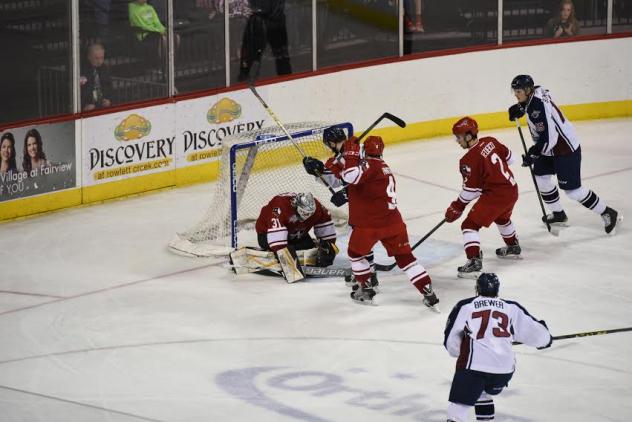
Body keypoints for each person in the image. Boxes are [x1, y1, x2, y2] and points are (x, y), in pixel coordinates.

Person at [508, 74, 621, 235]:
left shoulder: (537, 107)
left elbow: (550, 137)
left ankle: (607, 212)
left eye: (518, 91)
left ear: (527, 90)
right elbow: (542, 93)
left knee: (573, 191)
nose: (515, 94)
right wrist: (522, 107)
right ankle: (559, 214)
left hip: (564, 148)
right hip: (549, 147)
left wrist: (533, 153)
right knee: (540, 177)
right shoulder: (536, 93)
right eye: (515, 91)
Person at [338, 135, 439, 309]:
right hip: (393, 223)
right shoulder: (385, 167)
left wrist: (350, 155)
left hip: (371, 224)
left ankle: (366, 290)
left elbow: (349, 176)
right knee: (407, 259)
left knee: (355, 254)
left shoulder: (368, 165)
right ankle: (428, 292)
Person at [444, 273, 552, 422]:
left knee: (459, 407)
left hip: (474, 367)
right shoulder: (511, 307)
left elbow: (451, 340)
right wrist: (546, 341)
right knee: (481, 392)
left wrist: (458, 351)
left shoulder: (465, 306)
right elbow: (539, 335)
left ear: (477, 289)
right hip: (503, 371)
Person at [303, 126, 379, 290]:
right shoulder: (338, 159)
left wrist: (346, 193)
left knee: (359, 239)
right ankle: (369, 273)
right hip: (361, 205)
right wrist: (318, 171)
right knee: (358, 238)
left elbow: (369, 175)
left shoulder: (359, 150)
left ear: (330, 143)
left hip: (372, 200)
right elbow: (335, 180)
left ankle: (367, 275)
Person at [444, 117, 521, 279]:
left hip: (496, 195)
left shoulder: (467, 160)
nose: (457, 141)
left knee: (469, 225)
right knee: (501, 218)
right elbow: (511, 159)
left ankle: (473, 261)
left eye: (459, 137)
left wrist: (457, 206)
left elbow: (471, 190)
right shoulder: (490, 141)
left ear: (469, 136)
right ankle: (513, 246)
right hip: (512, 189)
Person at [229, 192, 339, 283]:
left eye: (309, 214)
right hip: (267, 234)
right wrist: (289, 263)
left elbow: (327, 231)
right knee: (284, 253)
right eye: (304, 213)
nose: (306, 217)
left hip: (297, 234)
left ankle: (294, 255)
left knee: (310, 250)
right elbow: (277, 241)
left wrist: (328, 246)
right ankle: (256, 257)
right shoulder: (280, 206)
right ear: (296, 205)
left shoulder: (318, 209)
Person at [237, 0, 292, 81]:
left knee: (282, 57)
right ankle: (245, 78)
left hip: (275, 21)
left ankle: (286, 82)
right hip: (259, 20)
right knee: (250, 57)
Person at [80, 43, 114, 112]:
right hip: (87, 107)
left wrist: (109, 100)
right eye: (96, 58)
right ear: (89, 57)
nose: (100, 61)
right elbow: (78, 92)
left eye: (102, 58)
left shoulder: (104, 68)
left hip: (102, 105)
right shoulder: (81, 69)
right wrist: (84, 106)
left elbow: (109, 87)